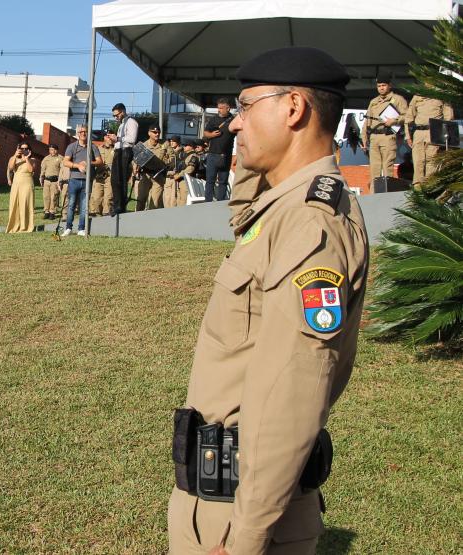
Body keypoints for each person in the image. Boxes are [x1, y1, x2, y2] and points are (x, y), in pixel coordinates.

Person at [167, 47, 369, 555]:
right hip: (222, 497)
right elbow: (241, 211)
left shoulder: (308, 224)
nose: (235, 125)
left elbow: (291, 391)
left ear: (294, 108)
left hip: (237, 514)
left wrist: (246, 537)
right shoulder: (284, 208)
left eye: (246, 107)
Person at [361, 75, 408, 184]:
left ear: (389, 86)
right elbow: (367, 120)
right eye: (379, 86)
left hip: (387, 136)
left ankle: (388, 193)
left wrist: (395, 120)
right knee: (374, 168)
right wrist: (363, 137)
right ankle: (374, 195)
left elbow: (407, 116)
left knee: (388, 166)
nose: (381, 88)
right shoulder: (374, 101)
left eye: (384, 85)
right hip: (374, 137)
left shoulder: (398, 99)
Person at [61, 125, 102, 237]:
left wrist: (89, 163)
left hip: (87, 180)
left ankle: (81, 229)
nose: (83, 133)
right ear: (78, 134)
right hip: (74, 179)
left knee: (84, 206)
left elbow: (99, 161)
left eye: (86, 132)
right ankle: (68, 228)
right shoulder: (71, 147)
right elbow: (65, 162)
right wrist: (77, 165)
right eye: (81, 132)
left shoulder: (93, 147)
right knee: (71, 205)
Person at [405, 94, 453, 187]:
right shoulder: (417, 97)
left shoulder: (442, 95)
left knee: (431, 161)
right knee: (417, 161)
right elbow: (409, 117)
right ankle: (418, 187)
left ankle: (430, 186)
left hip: (434, 131)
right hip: (418, 132)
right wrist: (408, 136)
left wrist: (444, 136)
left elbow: (449, 117)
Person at [133, 126, 175, 211]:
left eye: (158, 132)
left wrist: (164, 162)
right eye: (154, 132)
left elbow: (173, 157)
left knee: (155, 203)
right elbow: (135, 159)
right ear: (149, 133)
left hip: (159, 176)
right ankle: (138, 220)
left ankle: (151, 222)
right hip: (146, 175)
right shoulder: (143, 145)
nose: (157, 134)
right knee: (141, 200)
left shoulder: (165, 144)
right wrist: (135, 168)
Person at [203, 98, 236, 201]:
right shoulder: (214, 119)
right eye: (218, 108)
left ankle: (220, 203)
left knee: (223, 182)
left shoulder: (233, 120)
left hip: (226, 155)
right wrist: (211, 134)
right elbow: (205, 133)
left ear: (228, 108)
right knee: (210, 181)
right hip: (212, 154)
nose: (219, 110)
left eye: (221, 108)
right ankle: (207, 203)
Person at [109, 103, 138, 214]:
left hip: (125, 151)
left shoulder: (131, 122)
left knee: (121, 179)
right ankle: (117, 204)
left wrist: (118, 138)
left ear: (123, 111)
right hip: (118, 151)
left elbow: (132, 139)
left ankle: (120, 206)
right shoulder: (122, 124)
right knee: (115, 180)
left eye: (116, 115)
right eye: (114, 116)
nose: (115, 117)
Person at [6, 141, 37, 233]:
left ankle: (26, 226)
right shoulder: (13, 158)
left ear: (29, 150)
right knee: (14, 204)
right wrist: (15, 156)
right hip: (16, 184)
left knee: (26, 204)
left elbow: (31, 170)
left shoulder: (33, 159)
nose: (23, 150)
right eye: (21, 148)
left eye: (26, 148)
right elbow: (11, 168)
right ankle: (14, 226)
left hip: (27, 183)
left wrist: (26, 159)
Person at [89, 135, 114, 217]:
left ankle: (106, 214)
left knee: (108, 197)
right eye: (108, 137)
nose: (110, 139)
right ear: (104, 137)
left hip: (110, 176)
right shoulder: (98, 148)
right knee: (96, 198)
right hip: (98, 176)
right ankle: (97, 213)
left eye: (112, 137)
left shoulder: (116, 149)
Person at [170, 139, 198, 206]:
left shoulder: (193, 156)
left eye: (186, 145)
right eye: (183, 145)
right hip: (181, 181)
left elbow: (190, 169)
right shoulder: (186, 155)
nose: (184, 147)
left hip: (186, 181)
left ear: (191, 146)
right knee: (179, 201)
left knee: (183, 201)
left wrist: (179, 175)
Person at [39, 144, 62, 220]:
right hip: (46, 180)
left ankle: (52, 212)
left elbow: (62, 170)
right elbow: (43, 169)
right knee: (46, 197)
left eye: (54, 149)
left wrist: (60, 180)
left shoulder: (60, 158)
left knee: (54, 197)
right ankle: (46, 212)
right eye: (50, 149)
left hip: (55, 181)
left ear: (57, 150)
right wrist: (41, 177)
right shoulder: (46, 158)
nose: (52, 151)